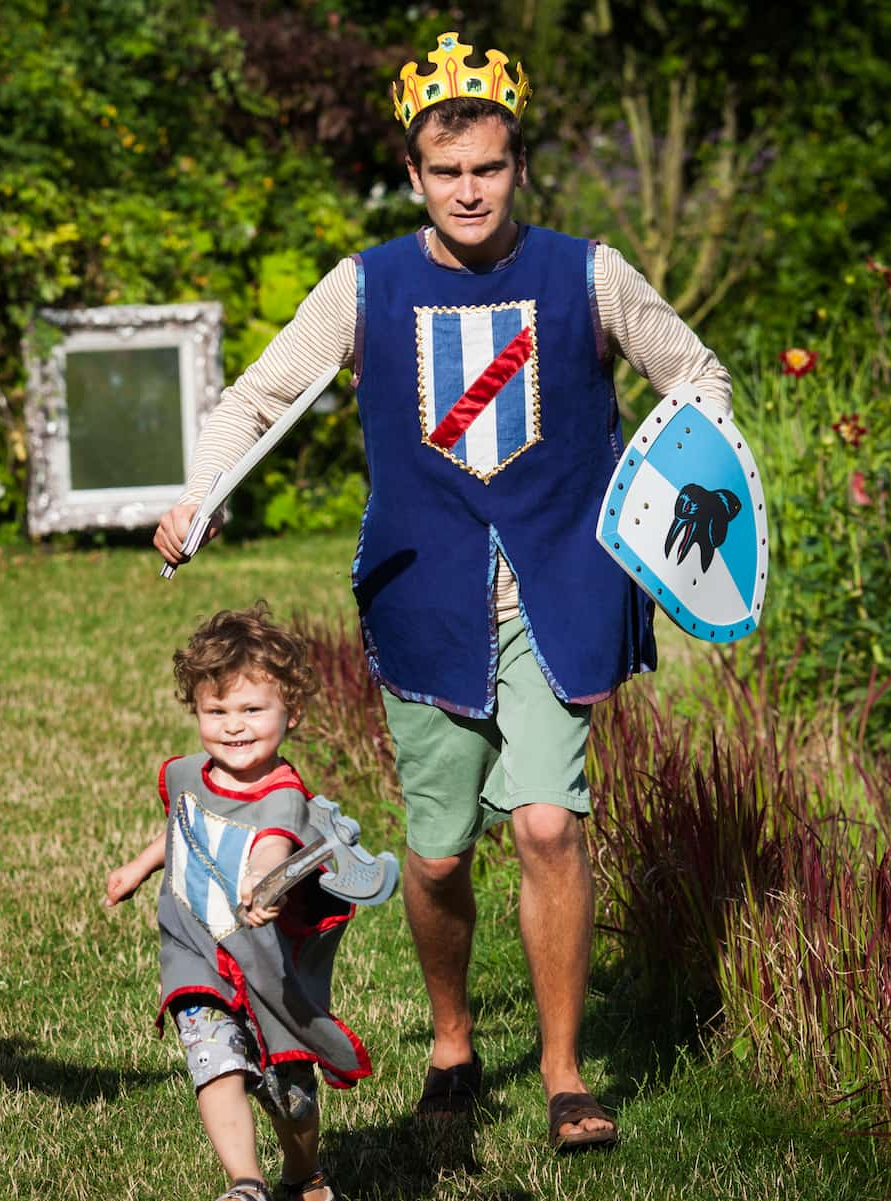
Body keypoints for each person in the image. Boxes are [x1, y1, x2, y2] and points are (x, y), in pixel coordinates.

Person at [154, 34, 732, 1150]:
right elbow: (265, 392)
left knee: (553, 827)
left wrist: (682, 482)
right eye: (448, 172)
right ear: (416, 176)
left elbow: (696, 374)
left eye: (491, 168)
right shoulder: (367, 284)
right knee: (437, 853)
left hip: (562, 589)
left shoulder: (589, 272)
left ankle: (565, 1075)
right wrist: (201, 490)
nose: (471, 190)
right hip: (427, 599)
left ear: (519, 168)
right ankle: (454, 1038)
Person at [104, 605, 369, 1201]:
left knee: (288, 1095)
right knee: (214, 1062)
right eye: (216, 711)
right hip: (196, 949)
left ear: (291, 712)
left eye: (252, 710)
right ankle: (245, 1184)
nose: (233, 726)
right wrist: (141, 867)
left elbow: (271, 847)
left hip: (265, 968)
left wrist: (260, 879)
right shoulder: (193, 775)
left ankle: (305, 1175)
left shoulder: (282, 795)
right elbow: (185, 823)